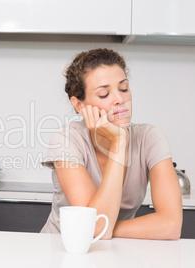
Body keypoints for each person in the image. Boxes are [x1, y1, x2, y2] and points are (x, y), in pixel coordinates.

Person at [41, 48, 182, 239]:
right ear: (79, 105)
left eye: (123, 88)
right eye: (103, 94)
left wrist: (103, 229)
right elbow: (97, 229)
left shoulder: (150, 138)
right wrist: (118, 143)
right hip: (62, 250)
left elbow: (171, 225)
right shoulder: (66, 139)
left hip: (115, 250)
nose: (119, 99)